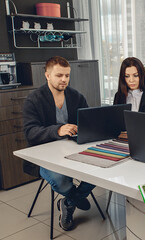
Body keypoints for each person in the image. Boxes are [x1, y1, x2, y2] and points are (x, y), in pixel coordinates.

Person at [23, 56, 95, 231]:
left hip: (73, 149)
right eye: (59, 75)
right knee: (59, 179)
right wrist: (57, 130)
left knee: (101, 169)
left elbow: (88, 123)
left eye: (67, 75)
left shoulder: (77, 97)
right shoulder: (34, 99)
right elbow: (30, 132)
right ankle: (76, 198)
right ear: (47, 75)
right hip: (45, 155)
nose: (64, 79)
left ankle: (68, 202)